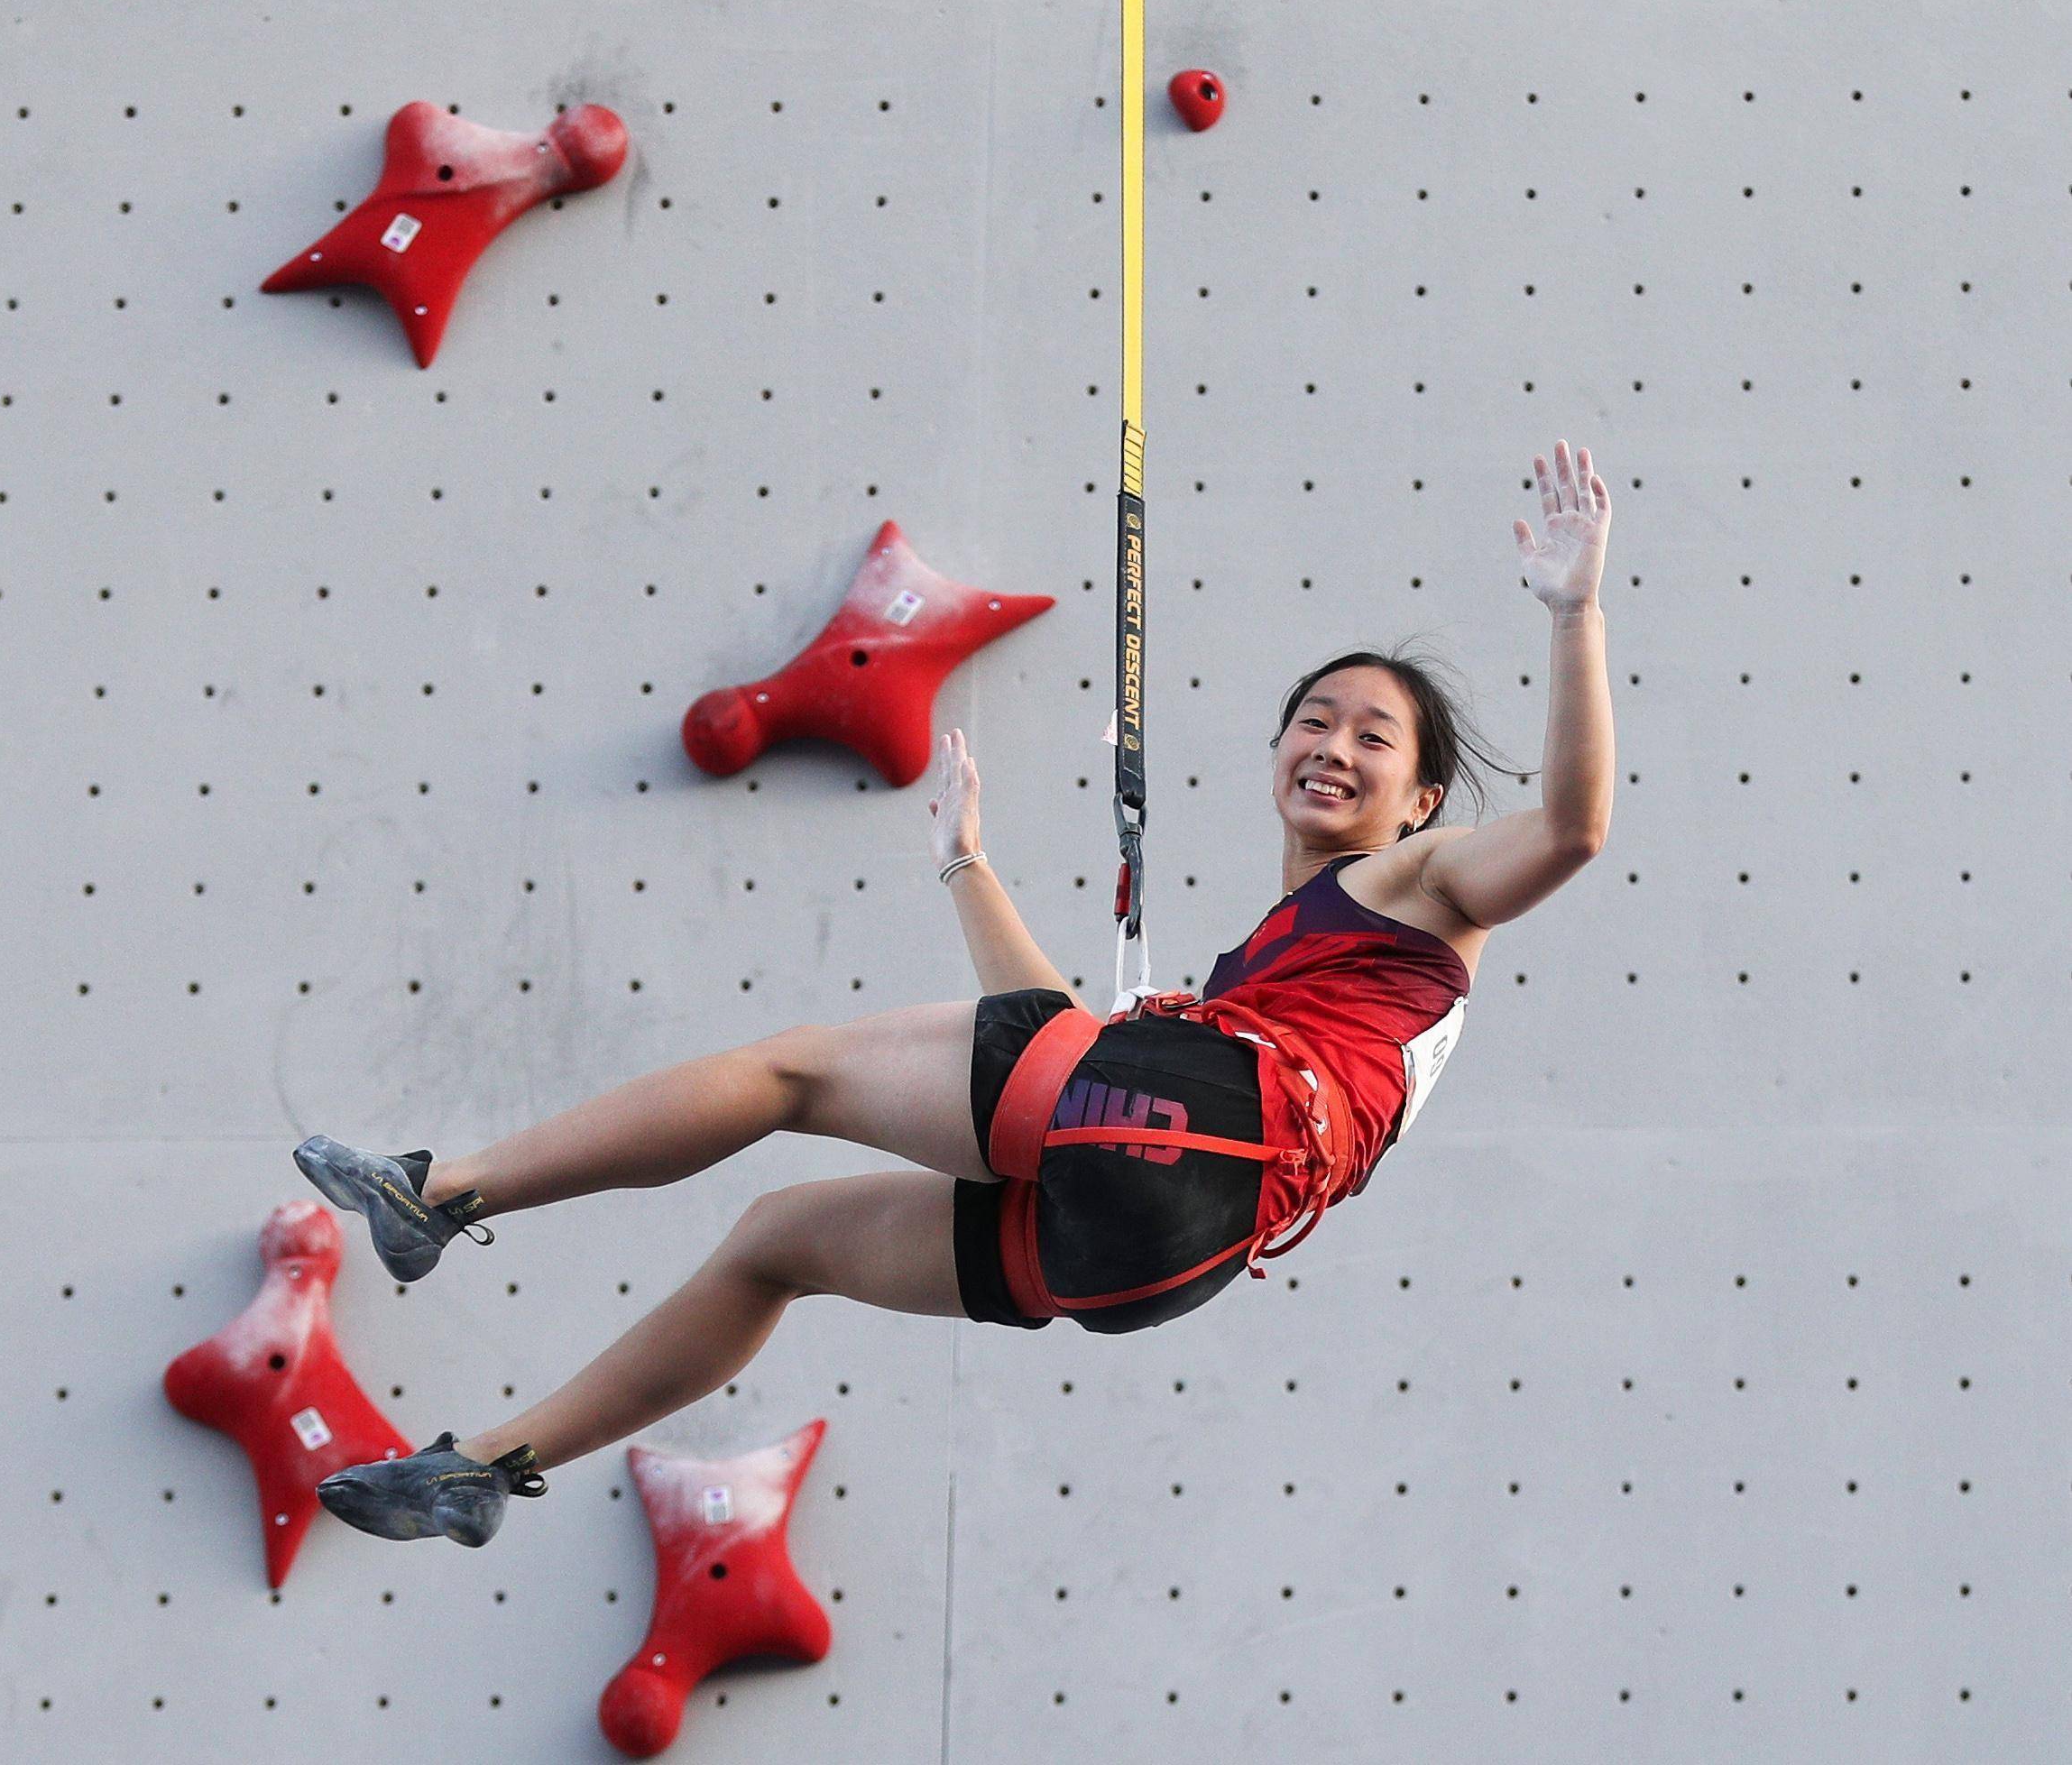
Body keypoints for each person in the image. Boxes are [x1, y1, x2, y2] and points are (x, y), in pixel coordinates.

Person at [299, 441, 1615, 1549]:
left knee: (794, 1074)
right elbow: (1057, 1065)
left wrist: (1571, 612)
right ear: (1274, 749)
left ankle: (445, 1188)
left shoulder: (1419, 882)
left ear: (1425, 800)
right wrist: (968, 870)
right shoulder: (1287, 976)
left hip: (1187, 1139)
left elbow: (1569, 831)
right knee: (777, 1241)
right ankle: (486, 1469)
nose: (1332, 746)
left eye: (1371, 738)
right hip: (1155, 1250)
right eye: (1313, 720)